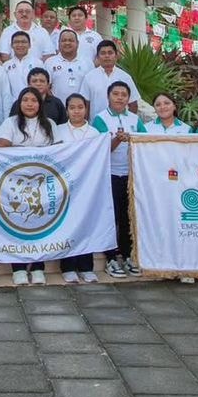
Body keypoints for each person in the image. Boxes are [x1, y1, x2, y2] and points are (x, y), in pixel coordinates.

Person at [0, 86, 57, 285]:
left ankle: (39, 266)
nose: (29, 104)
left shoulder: (50, 124)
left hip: (42, 184)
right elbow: (2, 149)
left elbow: (59, 153)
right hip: (16, 184)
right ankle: (19, 268)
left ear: (40, 104)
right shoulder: (9, 123)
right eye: (25, 100)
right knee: (17, 224)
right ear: (19, 103)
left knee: (40, 225)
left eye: (33, 100)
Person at [93, 80, 144, 280]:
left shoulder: (135, 119)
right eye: (116, 94)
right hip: (109, 174)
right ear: (108, 97)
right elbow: (99, 150)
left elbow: (144, 145)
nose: (120, 97)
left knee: (127, 217)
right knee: (111, 217)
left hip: (130, 175)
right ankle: (112, 257)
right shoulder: (100, 119)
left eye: (124, 94)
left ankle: (128, 254)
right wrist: (117, 140)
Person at [54, 93, 102, 284]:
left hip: (87, 186)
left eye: (80, 107)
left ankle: (86, 266)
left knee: (86, 224)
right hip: (64, 186)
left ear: (86, 109)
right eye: (72, 107)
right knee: (66, 224)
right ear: (66, 110)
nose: (76, 111)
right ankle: (67, 266)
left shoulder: (94, 134)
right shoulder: (58, 131)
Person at [77, 40, 137, 119]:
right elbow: (85, 105)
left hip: (120, 128)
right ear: (97, 57)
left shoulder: (125, 77)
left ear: (116, 56)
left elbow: (133, 104)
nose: (107, 56)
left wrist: (128, 123)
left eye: (110, 53)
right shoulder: (89, 77)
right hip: (96, 126)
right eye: (103, 53)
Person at [47, 30, 89, 105]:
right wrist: (56, 104)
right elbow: (46, 87)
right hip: (57, 109)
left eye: (71, 40)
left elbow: (90, 89)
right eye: (64, 40)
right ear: (58, 43)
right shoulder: (50, 62)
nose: (67, 43)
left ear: (77, 43)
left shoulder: (87, 62)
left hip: (80, 111)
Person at [1, 32, 39, 109]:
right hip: (13, 106)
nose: (20, 45)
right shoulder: (5, 66)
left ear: (29, 45)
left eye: (24, 42)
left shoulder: (38, 63)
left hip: (33, 106)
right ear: (11, 45)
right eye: (16, 42)